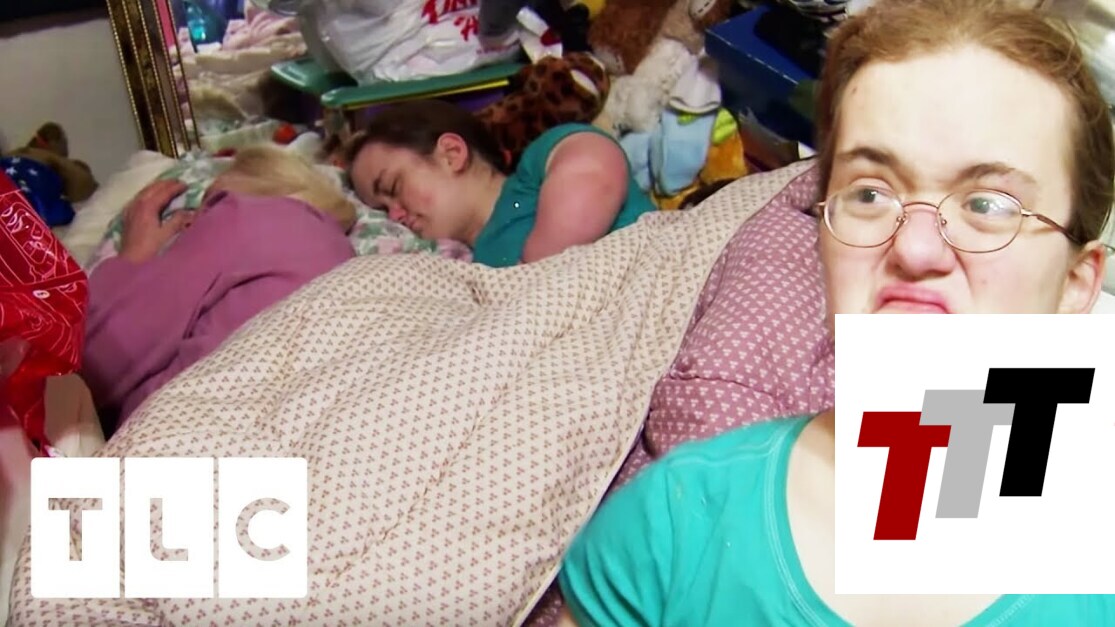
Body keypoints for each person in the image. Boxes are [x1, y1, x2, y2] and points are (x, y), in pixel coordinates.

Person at [556, 0, 1115, 624]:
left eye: (987, 205)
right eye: (870, 193)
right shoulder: (673, 525)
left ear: (1076, 285)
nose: (915, 248)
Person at [82, 145, 358, 432]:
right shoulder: (342, 256)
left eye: (206, 205)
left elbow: (95, 362)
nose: (191, 224)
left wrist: (133, 255)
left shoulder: (245, 215)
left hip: (180, 441)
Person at [345, 100, 657, 268]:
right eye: (383, 209)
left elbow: (593, 175)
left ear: (451, 154)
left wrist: (534, 268)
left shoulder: (536, 169)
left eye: (394, 188)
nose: (395, 216)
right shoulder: (472, 269)